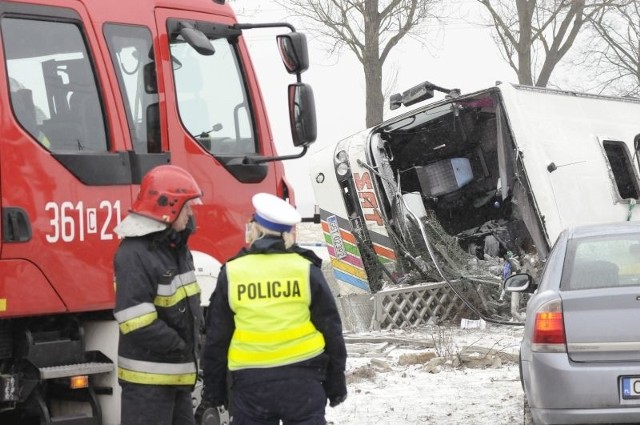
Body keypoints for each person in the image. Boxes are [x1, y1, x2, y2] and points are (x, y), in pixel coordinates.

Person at [198, 193, 347, 425]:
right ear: (287, 234)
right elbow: (331, 330)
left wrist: (214, 391)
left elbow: (217, 338)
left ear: (255, 229)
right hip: (303, 382)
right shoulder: (305, 269)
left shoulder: (233, 272)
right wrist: (335, 385)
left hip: (251, 386)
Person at [113, 164, 204, 425]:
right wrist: (181, 347)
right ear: (168, 207)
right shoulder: (134, 254)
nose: (191, 211)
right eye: (186, 205)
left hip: (176, 380)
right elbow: (135, 321)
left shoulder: (176, 247)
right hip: (147, 387)